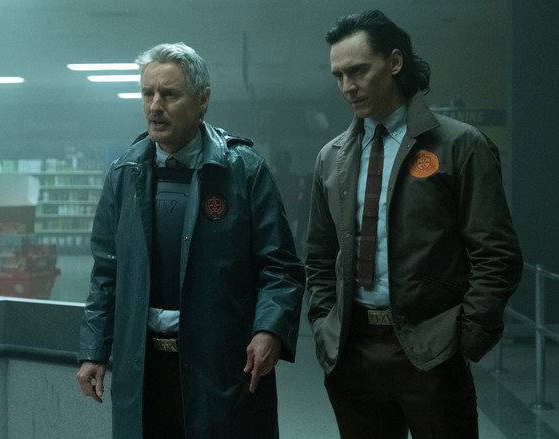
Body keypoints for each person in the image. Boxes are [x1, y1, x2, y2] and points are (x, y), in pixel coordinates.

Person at [305, 9, 522, 439]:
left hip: (433, 348)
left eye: (358, 70)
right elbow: (319, 254)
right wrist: (323, 325)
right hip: (352, 350)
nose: (347, 86)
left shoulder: (460, 145)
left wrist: (467, 340)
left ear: (395, 62)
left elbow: (497, 254)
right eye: (338, 76)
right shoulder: (332, 157)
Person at [76, 42, 304, 439]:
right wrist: (94, 350)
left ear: (202, 99)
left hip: (221, 364)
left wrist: (269, 330)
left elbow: (280, 267)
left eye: (169, 94)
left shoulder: (243, 171)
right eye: (147, 93)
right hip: (144, 366)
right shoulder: (125, 174)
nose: (155, 106)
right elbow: (106, 272)